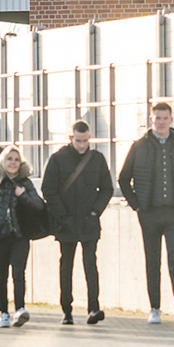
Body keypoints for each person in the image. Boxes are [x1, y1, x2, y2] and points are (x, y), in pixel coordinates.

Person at [118, 102, 174, 324]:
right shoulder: (139, 146)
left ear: (171, 120)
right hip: (149, 213)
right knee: (152, 261)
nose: (161, 122)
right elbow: (124, 178)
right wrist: (136, 205)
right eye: (157, 118)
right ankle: (154, 308)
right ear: (151, 120)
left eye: (165, 118)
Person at [42, 120, 114, 325]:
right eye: (78, 141)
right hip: (65, 222)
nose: (82, 145)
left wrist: (95, 211)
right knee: (67, 265)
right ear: (70, 138)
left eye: (85, 141)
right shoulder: (58, 159)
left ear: (89, 138)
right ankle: (67, 310)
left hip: (89, 220)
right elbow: (48, 190)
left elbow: (107, 189)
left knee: (91, 264)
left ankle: (94, 308)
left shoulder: (97, 159)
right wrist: (62, 216)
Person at [0, 145, 44, 327]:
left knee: (18, 272)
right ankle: (4, 312)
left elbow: (38, 205)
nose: (13, 163)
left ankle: (20, 309)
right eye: (9, 159)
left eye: (16, 159)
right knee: (1, 274)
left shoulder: (25, 183)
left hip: (20, 235)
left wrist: (23, 195)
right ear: (2, 161)